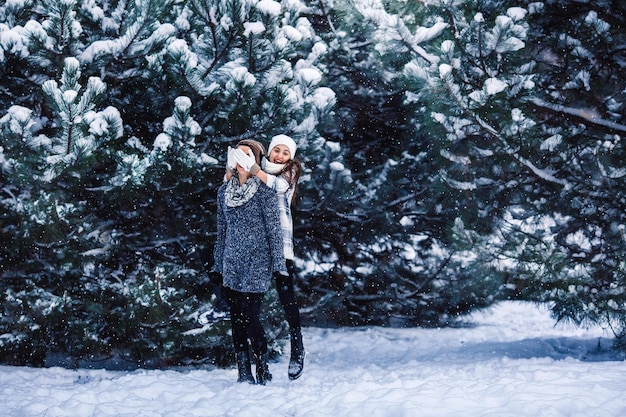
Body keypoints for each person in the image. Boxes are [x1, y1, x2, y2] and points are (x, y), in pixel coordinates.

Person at [230, 134, 306, 380]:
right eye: (277, 151)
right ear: (270, 152)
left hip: (281, 247)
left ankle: (297, 347)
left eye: (286, 152)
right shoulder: (258, 170)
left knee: (286, 298)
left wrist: (255, 170)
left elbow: (277, 186)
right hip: (260, 250)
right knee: (251, 306)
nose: (280, 156)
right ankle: (256, 364)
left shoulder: (288, 173)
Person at [212, 139, 286, 385]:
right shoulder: (224, 191)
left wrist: (278, 265)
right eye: (238, 154)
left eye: (247, 155)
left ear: (255, 160)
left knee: (250, 315)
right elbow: (221, 231)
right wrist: (217, 265)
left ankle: (262, 367)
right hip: (232, 261)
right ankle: (243, 370)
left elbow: (274, 230)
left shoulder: (265, 191)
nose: (241, 160)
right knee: (235, 316)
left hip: (258, 261)